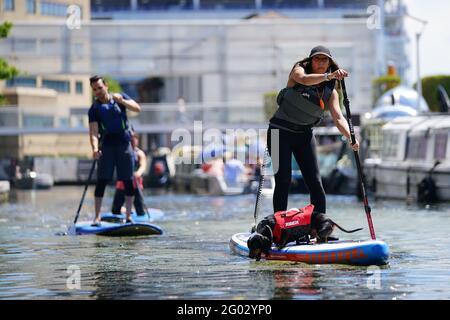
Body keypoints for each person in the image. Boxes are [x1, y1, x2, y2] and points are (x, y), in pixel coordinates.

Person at [267, 45, 359, 214]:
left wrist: (351, 137)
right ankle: (278, 227)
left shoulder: (330, 92)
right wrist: (329, 76)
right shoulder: (298, 70)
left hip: (304, 135)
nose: (321, 62)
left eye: (325, 60)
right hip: (278, 132)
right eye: (317, 59)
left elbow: (338, 118)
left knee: (315, 182)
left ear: (329, 62)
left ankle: (319, 227)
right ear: (310, 61)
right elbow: (303, 80)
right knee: (283, 180)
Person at [88, 75, 141, 225]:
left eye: (99, 87)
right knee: (102, 180)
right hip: (106, 146)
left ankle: (129, 216)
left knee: (128, 180)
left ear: (105, 86)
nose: (98, 91)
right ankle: (97, 217)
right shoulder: (94, 109)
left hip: (124, 144)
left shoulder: (120, 97)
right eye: (94, 89)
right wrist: (94, 148)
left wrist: (122, 101)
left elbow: (137, 108)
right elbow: (93, 132)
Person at [111, 132, 148, 216]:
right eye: (130, 140)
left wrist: (137, 173)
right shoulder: (122, 152)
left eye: (133, 140)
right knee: (115, 210)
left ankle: (135, 210)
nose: (132, 142)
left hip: (136, 184)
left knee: (140, 210)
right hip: (122, 184)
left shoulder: (139, 153)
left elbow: (143, 166)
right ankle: (124, 209)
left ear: (137, 140)